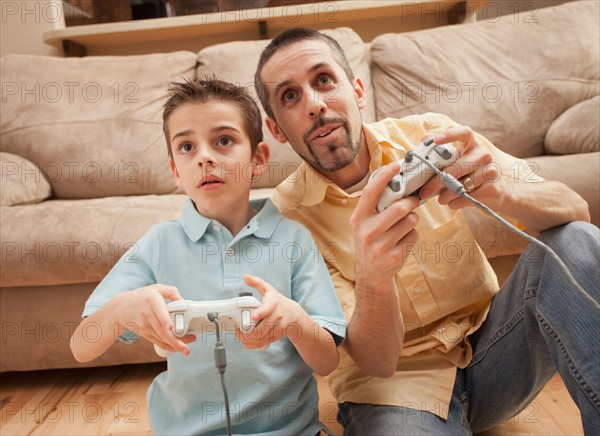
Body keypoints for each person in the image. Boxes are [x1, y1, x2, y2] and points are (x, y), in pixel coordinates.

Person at [253, 27, 600, 434]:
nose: (314, 104)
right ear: (276, 129)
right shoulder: (284, 222)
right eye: (290, 96)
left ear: (357, 91)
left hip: (494, 349)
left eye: (324, 80)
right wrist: (373, 277)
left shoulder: (427, 135)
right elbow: (377, 362)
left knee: (574, 240)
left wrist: (495, 191)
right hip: (393, 390)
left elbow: (575, 212)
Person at [70, 78, 347, 435]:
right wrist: (122, 308)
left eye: (224, 141)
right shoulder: (159, 244)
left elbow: (327, 362)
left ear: (258, 158)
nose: (204, 157)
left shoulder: (293, 239)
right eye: (187, 146)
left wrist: (293, 319)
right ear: (175, 171)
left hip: (290, 430)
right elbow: (82, 347)